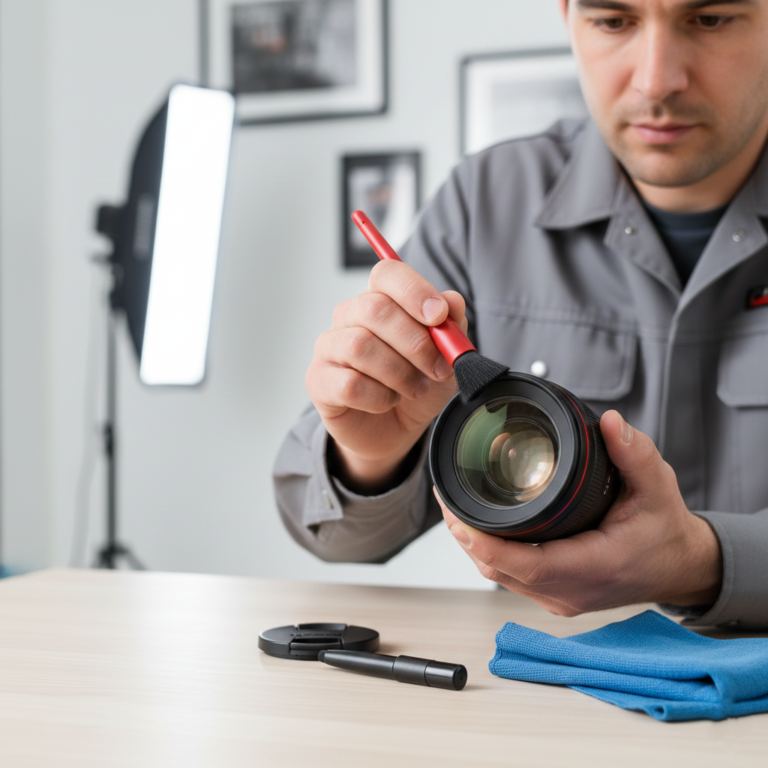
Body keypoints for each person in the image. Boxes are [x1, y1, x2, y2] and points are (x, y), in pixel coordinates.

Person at [274, 0, 768, 629]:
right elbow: (328, 531)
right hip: (538, 680)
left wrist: (700, 562)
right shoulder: (484, 203)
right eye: (613, 21)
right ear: (568, 18)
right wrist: (372, 456)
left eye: (710, 19)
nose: (656, 81)